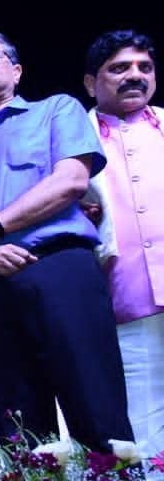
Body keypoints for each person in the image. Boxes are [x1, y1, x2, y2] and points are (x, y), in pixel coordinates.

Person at [0, 29, 132, 451]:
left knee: (97, 408)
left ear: (16, 71)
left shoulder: (56, 110)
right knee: (19, 430)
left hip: (60, 271)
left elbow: (71, 181)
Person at [83, 30, 163, 454]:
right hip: (125, 299)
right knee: (145, 425)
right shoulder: (72, 140)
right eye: (119, 68)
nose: (135, 76)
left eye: (144, 67)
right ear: (91, 83)